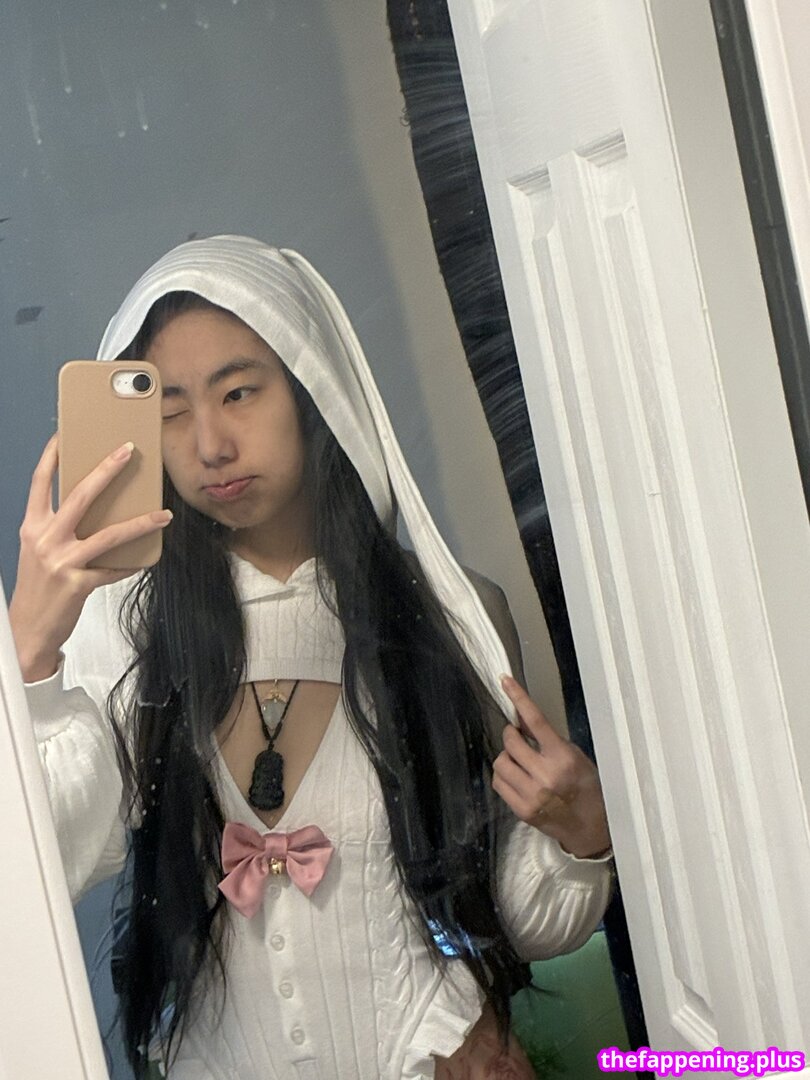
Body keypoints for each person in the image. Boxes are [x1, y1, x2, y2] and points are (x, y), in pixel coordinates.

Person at [10, 235, 613, 1080]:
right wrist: (30, 651)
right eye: (171, 410)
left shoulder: (448, 613)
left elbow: (515, 913)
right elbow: (45, 870)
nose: (210, 445)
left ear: (310, 388)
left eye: (239, 392)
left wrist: (583, 836)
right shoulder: (128, 636)